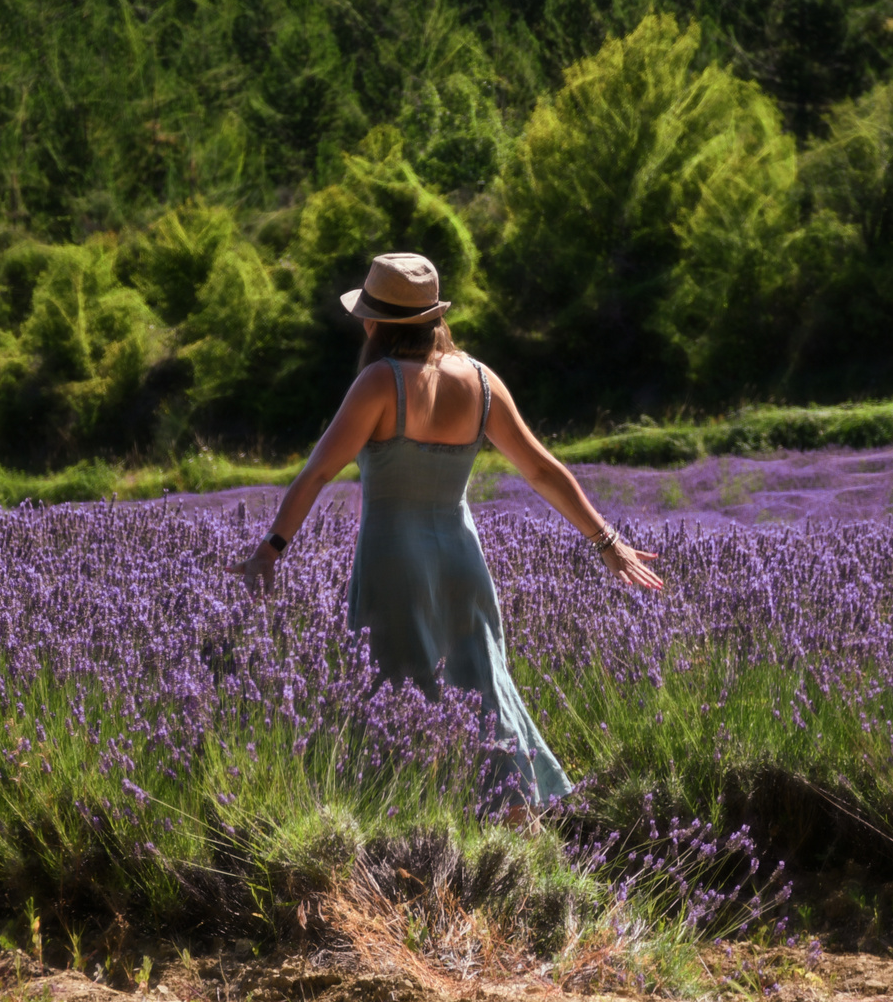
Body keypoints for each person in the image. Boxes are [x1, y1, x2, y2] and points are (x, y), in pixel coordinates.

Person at [233, 252, 663, 815]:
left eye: (368, 314)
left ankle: (411, 824)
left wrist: (270, 550)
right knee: (483, 688)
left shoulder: (378, 383)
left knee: (394, 693)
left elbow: (317, 472)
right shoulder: (482, 381)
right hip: (462, 559)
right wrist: (608, 543)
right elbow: (541, 470)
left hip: (394, 563)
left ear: (379, 323)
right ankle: (518, 831)